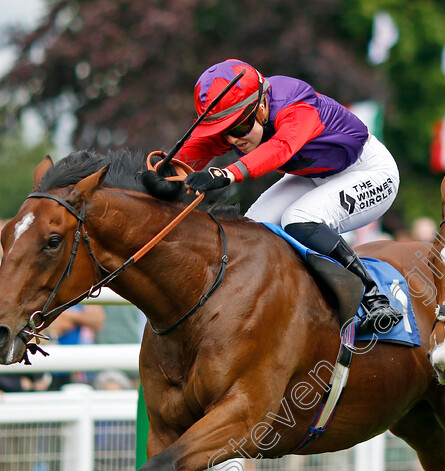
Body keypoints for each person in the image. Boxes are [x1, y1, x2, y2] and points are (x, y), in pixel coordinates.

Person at [172, 59, 402, 334]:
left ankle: (373, 296)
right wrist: (163, 174)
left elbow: (281, 148)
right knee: (251, 228)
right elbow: (192, 150)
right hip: (315, 174)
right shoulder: (248, 114)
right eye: (223, 131)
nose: (232, 140)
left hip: (370, 171)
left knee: (299, 218)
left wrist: (226, 174)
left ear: (261, 106)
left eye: (237, 129)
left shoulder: (296, 104)